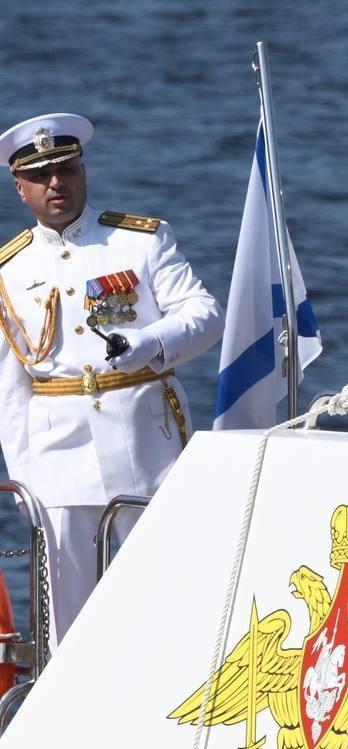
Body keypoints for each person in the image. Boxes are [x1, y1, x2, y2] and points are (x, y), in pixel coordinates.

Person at [0, 113, 224, 646]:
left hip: (145, 442)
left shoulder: (140, 241)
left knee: (170, 588)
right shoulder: (8, 270)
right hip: (57, 458)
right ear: (21, 188)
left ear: (84, 171)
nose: (57, 183)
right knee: (67, 615)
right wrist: (24, 478)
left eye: (67, 169)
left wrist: (147, 343)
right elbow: (9, 386)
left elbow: (206, 313)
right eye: (41, 175)